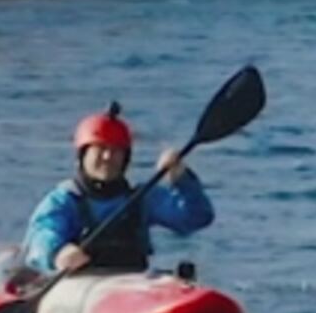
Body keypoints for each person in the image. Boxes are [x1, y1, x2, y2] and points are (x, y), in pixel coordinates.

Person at [26, 104, 215, 276]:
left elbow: (197, 218)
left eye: (116, 150)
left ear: (126, 159)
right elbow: (41, 236)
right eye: (100, 149)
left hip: (131, 283)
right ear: (83, 156)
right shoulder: (63, 201)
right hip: (79, 283)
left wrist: (182, 178)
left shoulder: (142, 198)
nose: (108, 157)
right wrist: (57, 253)